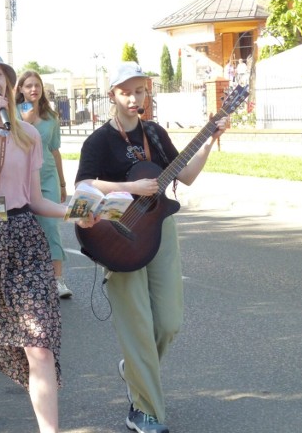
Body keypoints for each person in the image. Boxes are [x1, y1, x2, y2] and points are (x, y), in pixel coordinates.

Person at [0, 48, 95, 433]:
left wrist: (80, 213)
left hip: (24, 238)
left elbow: (37, 199)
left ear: (7, 83)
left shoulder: (28, 134)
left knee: (39, 341)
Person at [75, 62, 227, 433]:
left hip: (160, 230)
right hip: (118, 235)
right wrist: (127, 188)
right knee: (139, 327)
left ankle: (133, 369)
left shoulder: (155, 134)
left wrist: (210, 139)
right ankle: (146, 412)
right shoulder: (99, 141)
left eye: (140, 90)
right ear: (112, 95)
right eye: (126, 91)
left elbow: (186, 176)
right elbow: (82, 187)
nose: (134, 98)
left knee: (170, 321)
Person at [15, 70, 72, 298]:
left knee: (50, 226)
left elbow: (55, 151)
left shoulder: (51, 117)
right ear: (20, 89)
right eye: (28, 85)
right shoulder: (13, 115)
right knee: (24, 228)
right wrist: (23, 123)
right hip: (20, 177)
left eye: (36, 85)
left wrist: (62, 183)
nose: (33, 90)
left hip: (47, 175)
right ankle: (29, 279)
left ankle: (58, 279)